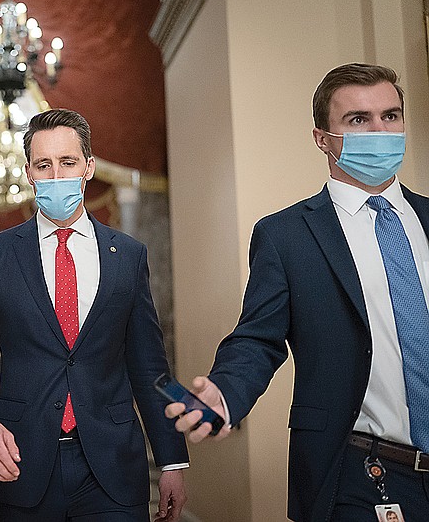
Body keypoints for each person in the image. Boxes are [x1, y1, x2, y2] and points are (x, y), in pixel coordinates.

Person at [166, 63, 429, 521]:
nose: (379, 131)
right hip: (363, 473)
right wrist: (226, 393)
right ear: (322, 138)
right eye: (357, 120)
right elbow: (258, 339)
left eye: (390, 116)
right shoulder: (287, 236)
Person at [0, 108, 188, 521]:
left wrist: (171, 461)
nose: (56, 175)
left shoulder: (128, 256)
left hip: (113, 465)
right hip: (23, 460)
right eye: (44, 164)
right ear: (29, 172)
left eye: (68, 162)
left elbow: (150, 367)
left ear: (89, 167)